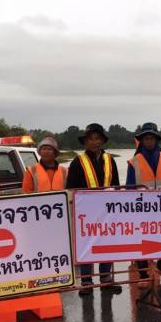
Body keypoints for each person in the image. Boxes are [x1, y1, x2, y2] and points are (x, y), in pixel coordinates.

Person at [66, 123, 122, 296]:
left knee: (106, 244)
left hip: (107, 210)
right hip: (86, 212)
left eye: (97, 138)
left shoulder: (110, 160)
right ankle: (87, 281)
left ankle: (106, 279)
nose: (94, 142)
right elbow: (70, 188)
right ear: (85, 142)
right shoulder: (77, 161)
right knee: (87, 245)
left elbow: (117, 186)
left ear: (102, 141)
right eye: (90, 139)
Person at [126, 122, 161, 284]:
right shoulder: (134, 162)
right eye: (146, 138)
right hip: (141, 210)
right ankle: (143, 276)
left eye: (152, 138)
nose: (149, 141)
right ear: (142, 140)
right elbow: (129, 188)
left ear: (156, 139)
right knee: (142, 242)